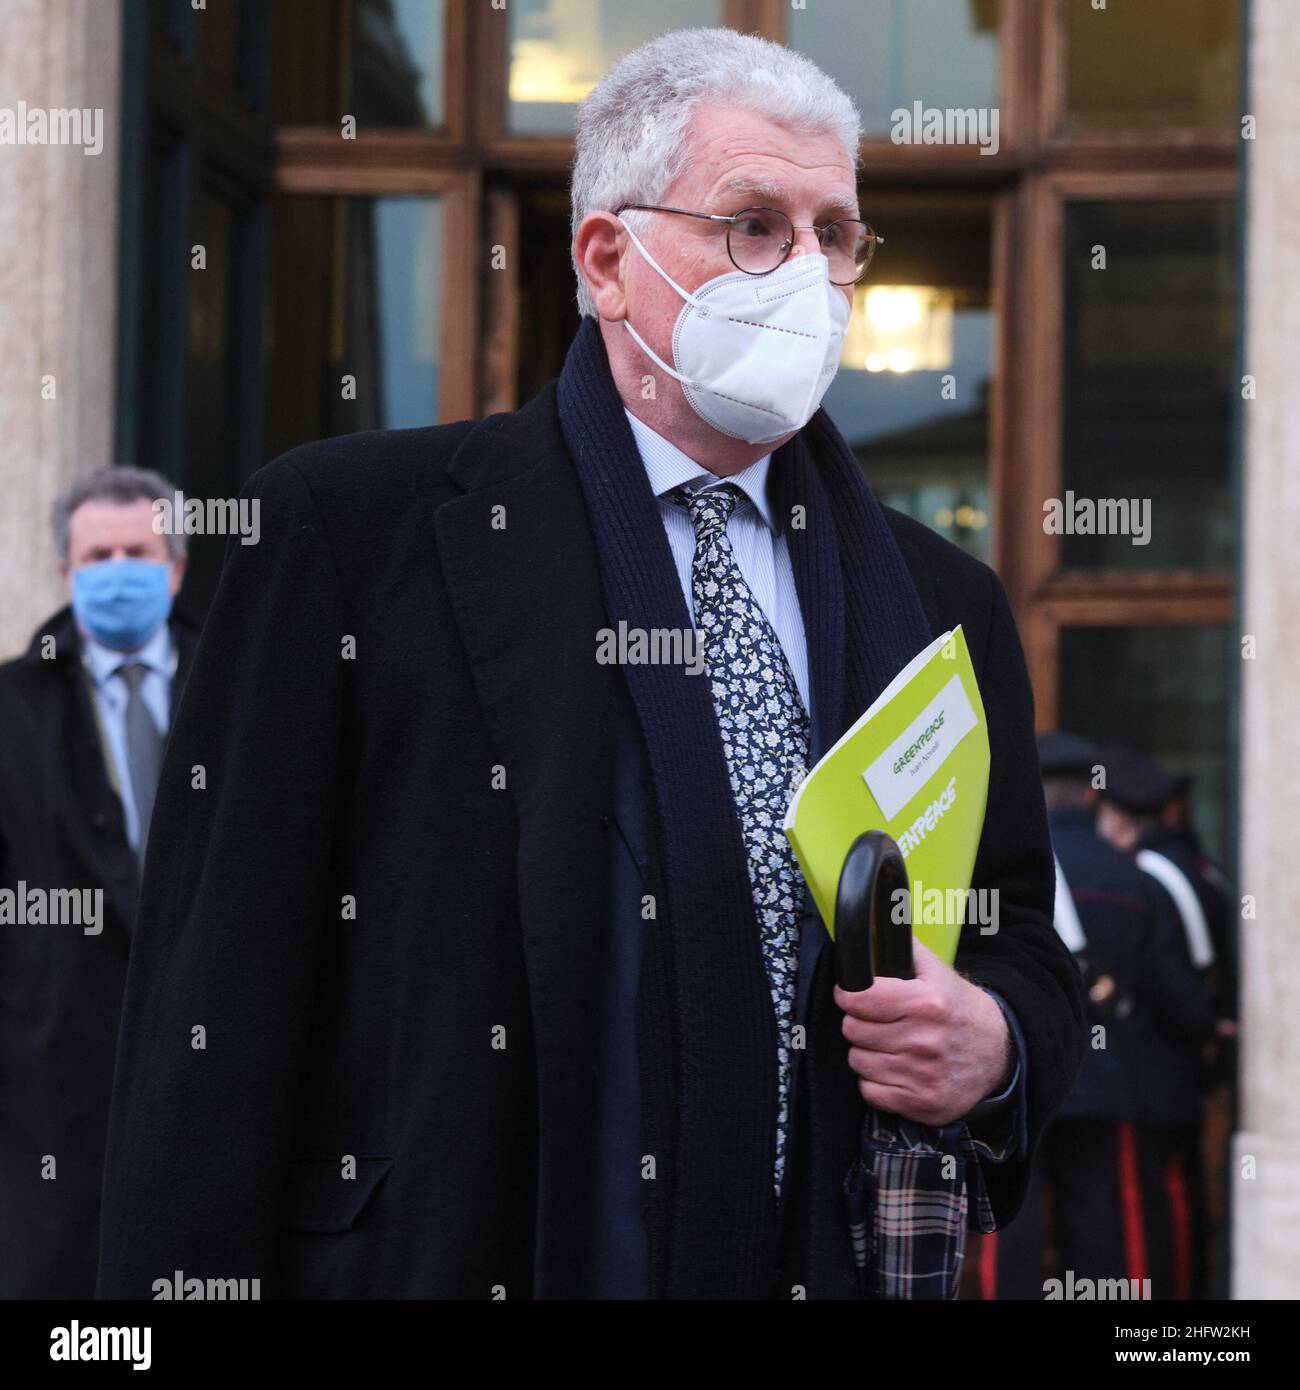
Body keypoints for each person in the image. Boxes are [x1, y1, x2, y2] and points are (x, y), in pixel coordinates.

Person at [97, 28, 1083, 1300]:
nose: (807, 274)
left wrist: (995, 1045)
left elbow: (1016, 943)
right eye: (752, 224)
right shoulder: (351, 535)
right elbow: (214, 1004)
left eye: (834, 235)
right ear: (607, 261)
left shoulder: (939, 602)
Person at [0, 467, 197, 1297]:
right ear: (65, 575)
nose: (119, 571)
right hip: (53, 1084)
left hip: (206, 1060)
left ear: (177, 567)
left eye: (137, 552)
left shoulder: (242, 683)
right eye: (97, 556)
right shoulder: (13, 709)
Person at [988, 734, 1212, 1300]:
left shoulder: (999, 876)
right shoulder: (1135, 877)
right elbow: (1175, 996)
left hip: (1017, 1076)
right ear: (1092, 797)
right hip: (1107, 1082)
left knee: (1010, 1222)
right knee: (1104, 1227)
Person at [1096, 746, 1226, 1299]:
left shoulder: (1149, 876)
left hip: (1156, 1069)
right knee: (1175, 1197)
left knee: (1154, 1206)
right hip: (1177, 1068)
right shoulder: (1198, 870)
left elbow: (1178, 982)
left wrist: (1203, 1031)